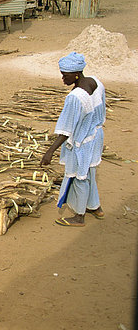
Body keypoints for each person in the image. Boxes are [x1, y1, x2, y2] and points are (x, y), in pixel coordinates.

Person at [40, 52, 106, 227]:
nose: (63, 78)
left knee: (79, 177)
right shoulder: (96, 82)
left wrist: (50, 152)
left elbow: (66, 130)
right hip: (96, 135)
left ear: (76, 73)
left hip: (82, 141)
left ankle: (79, 216)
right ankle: (95, 207)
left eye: (65, 75)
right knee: (90, 172)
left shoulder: (75, 98)